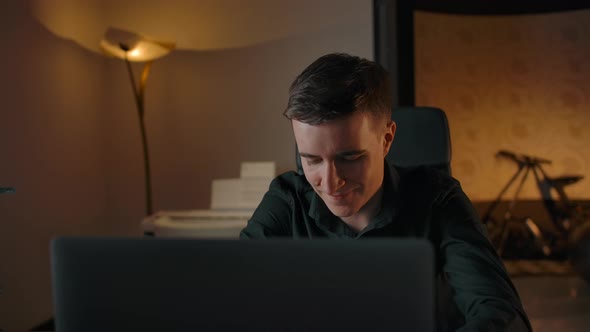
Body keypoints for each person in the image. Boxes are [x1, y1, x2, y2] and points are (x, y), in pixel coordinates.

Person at [240, 53, 532, 331]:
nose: (329, 184)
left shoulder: (438, 199)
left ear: (387, 139)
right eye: (312, 160)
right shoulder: (285, 199)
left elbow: (502, 315)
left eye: (350, 157)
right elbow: (235, 297)